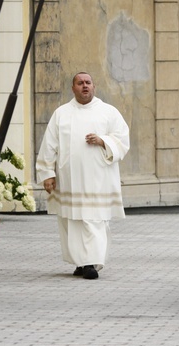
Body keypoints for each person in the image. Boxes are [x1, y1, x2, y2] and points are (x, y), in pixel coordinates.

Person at [36, 72, 130, 280]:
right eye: (80, 83)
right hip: (69, 180)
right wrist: (47, 173)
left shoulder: (108, 112)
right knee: (71, 221)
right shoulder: (62, 113)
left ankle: (91, 263)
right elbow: (48, 145)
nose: (85, 86)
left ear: (94, 86)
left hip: (98, 180)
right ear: (73, 88)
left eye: (88, 82)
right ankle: (80, 262)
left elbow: (122, 139)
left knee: (94, 220)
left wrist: (103, 141)